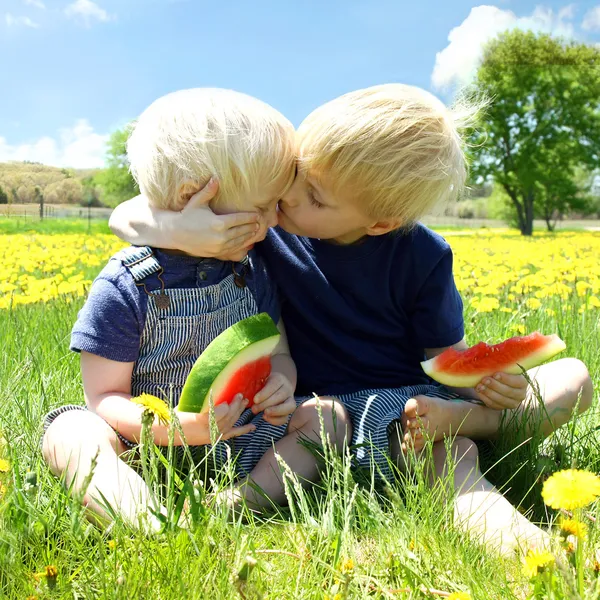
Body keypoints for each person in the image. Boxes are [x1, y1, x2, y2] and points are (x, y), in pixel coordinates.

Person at [109, 84, 593, 554]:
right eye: (294, 173)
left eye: (315, 198)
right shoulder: (268, 227)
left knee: (574, 377)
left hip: (408, 414)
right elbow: (125, 214)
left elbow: (444, 360)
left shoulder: (424, 255)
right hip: (318, 416)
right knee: (451, 457)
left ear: (379, 222)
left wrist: (488, 384)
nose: (290, 198)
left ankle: (511, 501)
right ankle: (484, 449)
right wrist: (177, 228)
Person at [42, 88, 349, 533]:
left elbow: (278, 351)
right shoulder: (126, 284)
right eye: (264, 207)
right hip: (143, 445)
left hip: (241, 438)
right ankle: (143, 517)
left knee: (328, 418)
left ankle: (233, 503)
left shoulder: (252, 271)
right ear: (193, 196)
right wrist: (175, 429)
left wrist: (283, 383)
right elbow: (105, 397)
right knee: (70, 430)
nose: (275, 221)